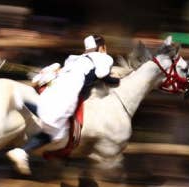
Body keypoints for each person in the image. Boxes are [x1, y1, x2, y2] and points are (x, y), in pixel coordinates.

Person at [7, 34, 120, 175]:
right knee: (55, 131)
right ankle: (22, 151)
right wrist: (118, 81)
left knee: (48, 116)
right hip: (69, 92)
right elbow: (105, 76)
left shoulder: (75, 58)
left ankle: (20, 101)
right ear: (102, 47)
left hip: (54, 86)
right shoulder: (104, 58)